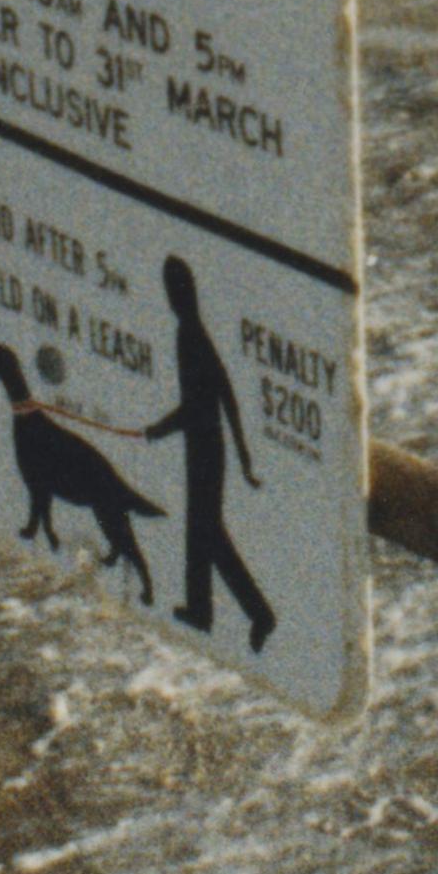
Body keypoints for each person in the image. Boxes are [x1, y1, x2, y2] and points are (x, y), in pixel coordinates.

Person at [152, 255, 273, 651]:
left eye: (172, 290)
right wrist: (242, 457)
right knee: (201, 531)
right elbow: (227, 398)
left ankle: (258, 612)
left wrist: (158, 430)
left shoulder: (190, 337)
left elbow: (202, 403)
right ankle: (202, 609)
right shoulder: (194, 333)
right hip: (205, 446)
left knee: (209, 534)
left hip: (203, 446)